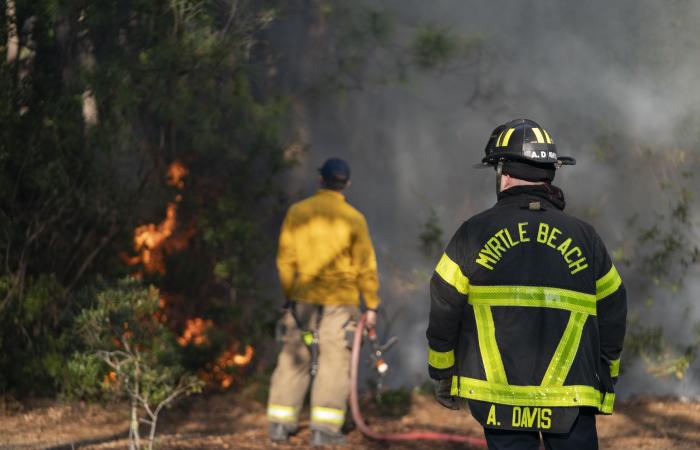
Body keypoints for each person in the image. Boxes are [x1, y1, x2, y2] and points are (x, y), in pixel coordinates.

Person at [426, 119, 627, 450]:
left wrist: (442, 373)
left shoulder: (473, 233)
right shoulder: (586, 238)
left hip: (498, 396)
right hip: (571, 395)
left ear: (503, 172)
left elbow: (444, 305)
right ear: (551, 173)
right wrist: (607, 373)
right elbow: (614, 307)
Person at [267, 157, 381, 447]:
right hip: (340, 305)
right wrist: (371, 305)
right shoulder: (354, 218)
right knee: (334, 362)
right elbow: (365, 267)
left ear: (320, 180)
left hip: (302, 299)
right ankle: (324, 430)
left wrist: (289, 295)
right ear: (347, 184)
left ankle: (279, 425)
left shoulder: (298, 212)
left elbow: (285, 260)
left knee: (293, 357)